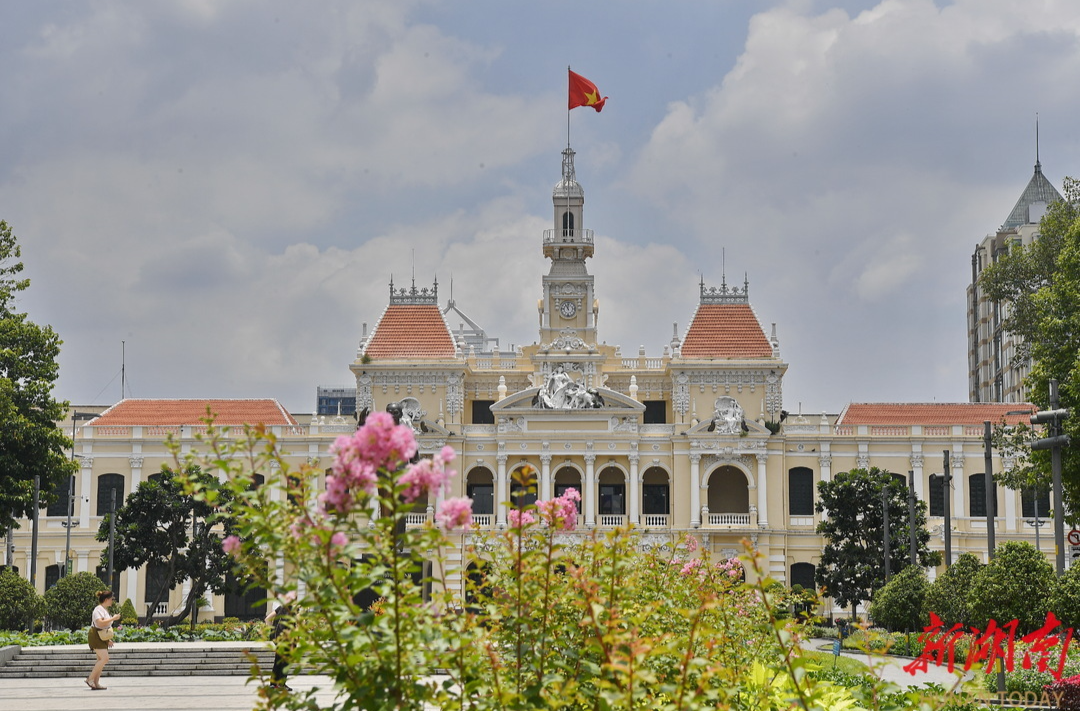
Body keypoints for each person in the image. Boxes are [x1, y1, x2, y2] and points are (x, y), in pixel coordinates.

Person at [86, 590, 120, 690]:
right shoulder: (98, 610)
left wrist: (107, 640)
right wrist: (113, 618)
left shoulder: (104, 610)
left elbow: (104, 626)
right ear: (106, 599)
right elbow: (100, 623)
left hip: (101, 636)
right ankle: (90, 679)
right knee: (105, 659)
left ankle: (96, 683)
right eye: (111, 599)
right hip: (96, 636)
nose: (112, 601)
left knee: (100, 660)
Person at [265, 601, 294, 691]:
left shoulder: (280, 608)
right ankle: (281, 684)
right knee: (285, 662)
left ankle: (273, 684)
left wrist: (271, 630)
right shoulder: (292, 611)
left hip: (277, 639)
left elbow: (267, 619)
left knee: (278, 661)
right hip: (287, 641)